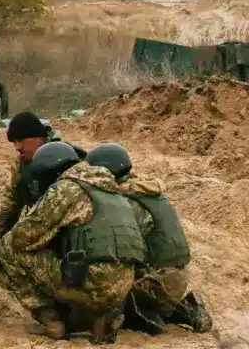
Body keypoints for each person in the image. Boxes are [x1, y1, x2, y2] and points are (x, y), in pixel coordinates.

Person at [0, 141, 146, 344]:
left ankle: (50, 321)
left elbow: (23, 238)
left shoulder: (66, 189)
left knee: (7, 246)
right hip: (124, 288)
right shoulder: (110, 188)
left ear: (50, 172)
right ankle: (102, 315)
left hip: (92, 285)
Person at [85, 143, 211, 335]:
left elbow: (125, 251)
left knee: (99, 296)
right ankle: (182, 309)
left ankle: (150, 316)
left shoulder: (127, 202)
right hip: (174, 277)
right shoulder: (146, 191)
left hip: (158, 282)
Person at [0, 111, 88, 234]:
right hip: (41, 224)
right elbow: (12, 201)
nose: (17, 147)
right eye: (14, 142)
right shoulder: (22, 163)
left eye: (21, 139)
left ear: (38, 137)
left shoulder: (66, 157)